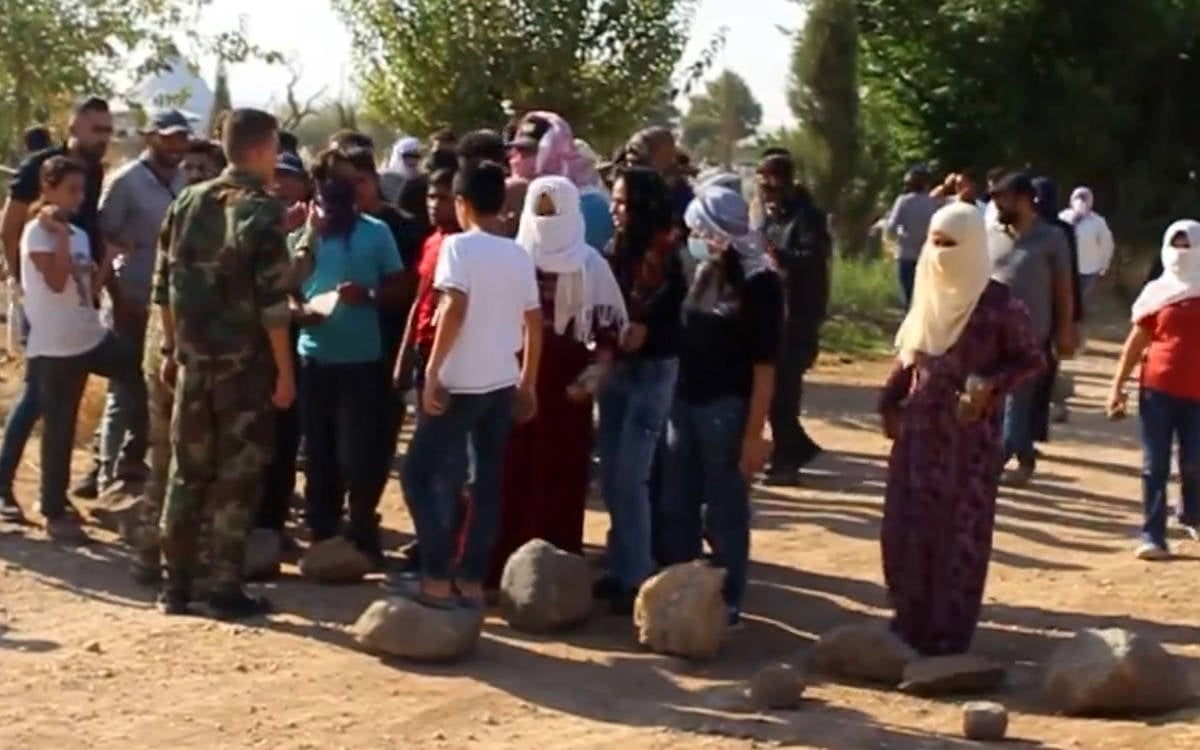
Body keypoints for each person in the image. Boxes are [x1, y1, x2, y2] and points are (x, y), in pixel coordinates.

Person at [879, 202, 1044, 656]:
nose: (942, 253)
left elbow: (1032, 359)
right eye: (935, 243)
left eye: (952, 245)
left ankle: (949, 635)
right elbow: (913, 350)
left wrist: (992, 387)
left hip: (967, 441)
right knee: (906, 528)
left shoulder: (1000, 304)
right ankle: (907, 623)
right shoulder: (928, 288)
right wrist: (889, 398)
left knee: (958, 534)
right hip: (917, 436)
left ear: (972, 246)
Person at [154, 108, 296, 619]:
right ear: (260, 149)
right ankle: (223, 588)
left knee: (186, 474)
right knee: (238, 477)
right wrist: (284, 372)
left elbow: (162, 285)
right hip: (245, 369)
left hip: (193, 363)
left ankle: (175, 586)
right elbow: (273, 306)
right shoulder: (263, 211)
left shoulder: (187, 201)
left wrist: (171, 350)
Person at [400, 161, 542, 609]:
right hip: (501, 382)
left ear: (461, 204)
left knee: (416, 474)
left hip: (461, 383)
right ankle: (473, 581)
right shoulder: (518, 254)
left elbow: (453, 308)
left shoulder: (457, 248)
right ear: (501, 205)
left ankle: (438, 576)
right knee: (487, 484)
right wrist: (528, 383)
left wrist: (434, 373)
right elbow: (534, 323)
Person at [487, 176, 628, 588]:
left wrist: (594, 376)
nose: (548, 219)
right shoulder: (512, 257)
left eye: (556, 210)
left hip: (566, 384)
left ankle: (554, 577)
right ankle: (500, 570)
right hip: (514, 376)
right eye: (542, 209)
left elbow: (607, 331)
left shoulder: (590, 265)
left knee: (560, 472)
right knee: (510, 470)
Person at [660, 185, 784, 627]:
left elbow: (765, 367)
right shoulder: (701, 270)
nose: (690, 235)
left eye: (698, 228)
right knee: (678, 503)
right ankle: (682, 591)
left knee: (725, 509)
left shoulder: (760, 282)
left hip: (726, 410)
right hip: (684, 403)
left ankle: (726, 601)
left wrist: (754, 435)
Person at [288, 149, 406, 566]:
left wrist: (368, 295)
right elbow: (287, 285)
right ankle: (323, 532)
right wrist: (298, 311)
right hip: (314, 356)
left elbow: (399, 287)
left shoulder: (377, 233)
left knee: (359, 453)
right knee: (317, 450)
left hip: (362, 360)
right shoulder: (304, 235)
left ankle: (361, 532)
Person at [16, 156, 140, 542]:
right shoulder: (39, 233)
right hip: (56, 346)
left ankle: (132, 461)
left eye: (82, 190)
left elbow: (87, 291)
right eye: (70, 190)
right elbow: (54, 281)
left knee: (142, 372)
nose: (78, 197)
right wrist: (63, 237)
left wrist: (110, 261)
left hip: (88, 334)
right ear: (48, 188)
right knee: (60, 426)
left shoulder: (81, 234)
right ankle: (53, 508)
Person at [0, 97, 112, 513]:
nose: (102, 137)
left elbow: (87, 227)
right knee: (36, 393)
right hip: (43, 291)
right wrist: (22, 286)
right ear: (74, 126)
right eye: (95, 129)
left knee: (41, 392)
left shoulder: (92, 172)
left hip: (75, 293)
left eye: (107, 130)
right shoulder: (42, 168)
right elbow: (10, 226)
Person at [594, 166, 685, 614]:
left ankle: (637, 575)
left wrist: (647, 331)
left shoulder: (671, 252)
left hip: (653, 372)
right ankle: (620, 565)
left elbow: (681, 319)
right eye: (614, 200)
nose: (615, 209)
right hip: (618, 370)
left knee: (631, 476)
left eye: (624, 202)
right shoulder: (616, 250)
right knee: (612, 474)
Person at [89, 109, 191, 496]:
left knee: (158, 388)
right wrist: (116, 295)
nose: (176, 145)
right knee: (124, 387)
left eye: (181, 137)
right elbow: (103, 240)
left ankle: (136, 466)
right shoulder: (126, 182)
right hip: (130, 299)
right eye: (168, 137)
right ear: (150, 138)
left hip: (168, 305)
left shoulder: (184, 181)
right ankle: (104, 472)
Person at [1108, 220, 1200, 560]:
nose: (1180, 254)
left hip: (1197, 395)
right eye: (1175, 245)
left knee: (1194, 461)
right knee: (1154, 465)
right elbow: (1134, 345)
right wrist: (1116, 387)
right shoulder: (1156, 294)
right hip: (1157, 390)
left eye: (1187, 245)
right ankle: (1153, 535)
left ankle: (1192, 513)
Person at [390, 167, 466, 576]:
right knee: (430, 460)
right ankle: (430, 539)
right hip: (424, 355)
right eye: (430, 198)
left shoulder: (466, 248)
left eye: (443, 198)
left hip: (451, 361)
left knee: (445, 464)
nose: (435, 205)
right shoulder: (434, 241)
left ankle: (443, 550)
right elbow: (420, 301)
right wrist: (404, 356)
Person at [988, 173, 1076, 486]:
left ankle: (997, 461)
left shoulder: (1052, 238)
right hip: (990, 335)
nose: (997, 205)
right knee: (995, 400)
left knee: (1018, 398)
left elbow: (1064, 288)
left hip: (1032, 335)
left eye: (1004, 198)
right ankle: (1024, 455)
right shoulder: (992, 235)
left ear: (1025, 200)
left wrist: (1066, 329)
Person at [757, 154, 831, 484]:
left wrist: (779, 256)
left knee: (784, 393)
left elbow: (813, 261)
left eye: (770, 180)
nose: (765, 188)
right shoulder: (773, 217)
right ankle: (793, 449)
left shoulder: (807, 218)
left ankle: (790, 456)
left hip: (799, 317)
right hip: (773, 313)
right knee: (772, 391)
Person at [884, 167, 939, 308]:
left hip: (906, 253)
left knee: (909, 297)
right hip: (927, 254)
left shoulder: (903, 201)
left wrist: (900, 235)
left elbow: (891, 228)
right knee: (925, 298)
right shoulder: (933, 203)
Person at [1059, 187, 1115, 301]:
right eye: (1078, 198)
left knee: (1078, 300)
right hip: (1066, 268)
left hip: (1088, 270)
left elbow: (1107, 244)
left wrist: (1103, 266)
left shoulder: (1098, 222)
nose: (1081, 202)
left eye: (1085, 198)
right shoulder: (1063, 217)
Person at [380, 136, 423, 206]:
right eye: (408, 156)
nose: (412, 161)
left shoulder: (421, 181)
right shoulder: (384, 179)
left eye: (416, 157)